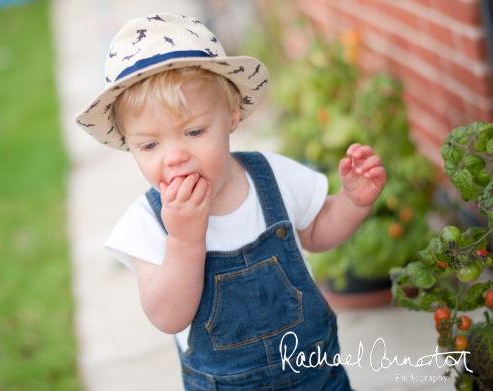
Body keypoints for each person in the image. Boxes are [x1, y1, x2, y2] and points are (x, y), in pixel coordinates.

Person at [74, 13, 386, 390]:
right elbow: (168, 317)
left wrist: (352, 201)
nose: (174, 157)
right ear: (130, 145)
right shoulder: (147, 223)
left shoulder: (270, 176)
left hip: (314, 374)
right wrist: (185, 240)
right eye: (150, 144)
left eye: (193, 131)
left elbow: (317, 231)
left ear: (231, 114)